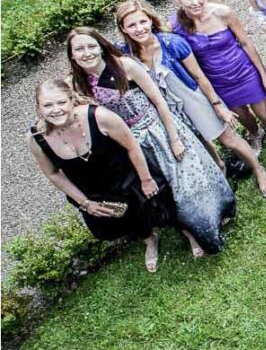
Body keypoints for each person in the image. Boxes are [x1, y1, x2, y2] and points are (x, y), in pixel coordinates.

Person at [67, 27, 237, 257]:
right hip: (128, 144)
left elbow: (159, 101)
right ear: (72, 55)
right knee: (163, 190)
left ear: (101, 47)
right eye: (79, 49)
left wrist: (174, 138)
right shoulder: (76, 84)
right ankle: (186, 230)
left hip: (158, 130)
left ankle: (211, 219)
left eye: (91, 46)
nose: (86, 53)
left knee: (188, 182)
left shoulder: (125, 66)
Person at [115, 0, 266, 197]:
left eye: (142, 21)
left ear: (150, 20)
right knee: (199, 143)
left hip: (191, 97)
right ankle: (220, 168)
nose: (139, 29)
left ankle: (258, 169)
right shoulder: (123, 52)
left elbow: (199, 75)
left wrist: (217, 105)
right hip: (164, 107)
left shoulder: (172, 43)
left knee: (227, 138)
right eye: (132, 25)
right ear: (123, 28)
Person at [28, 79, 173, 272]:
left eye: (61, 102)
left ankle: (188, 232)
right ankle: (149, 240)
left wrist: (146, 179)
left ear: (72, 100)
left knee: (162, 208)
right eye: (47, 105)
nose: (56, 110)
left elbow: (132, 146)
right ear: (38, 108)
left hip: (128, 178)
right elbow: (53, 174)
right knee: (123, 220)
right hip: (95, 191)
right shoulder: (36, 139)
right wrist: (85, 202)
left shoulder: (99, 116)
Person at [170, 0, 266, 167]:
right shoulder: (175, 26)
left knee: (264, 113)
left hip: (244, 72)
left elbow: (246, 42)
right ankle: (256, 134)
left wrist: (263, 74)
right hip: (217, 81)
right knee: (242, 116)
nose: (195, 2)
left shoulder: (223, 13)